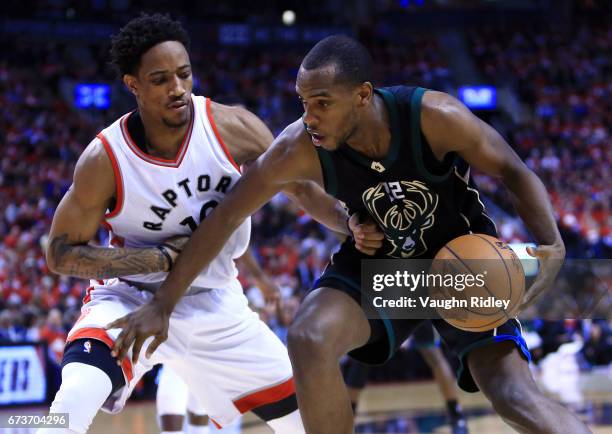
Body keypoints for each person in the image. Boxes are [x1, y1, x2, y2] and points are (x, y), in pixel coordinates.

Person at [110, 35, 589, 434]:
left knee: (512, 398)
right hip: (379, 269)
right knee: (309, 335)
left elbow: (512, 170)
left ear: (362, 95)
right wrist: (163, 303)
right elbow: (224, 218)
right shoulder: (298, 147)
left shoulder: (433, 116)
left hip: (457, 265)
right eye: (303, 103)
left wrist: (552, 244)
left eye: (322, 103)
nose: (310, 116)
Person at [38, 16, 381, 434]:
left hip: (217, 303)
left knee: (310, 421)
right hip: (129, 299)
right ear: (133, 85)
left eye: (184, 74)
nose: (178, 88)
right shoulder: (104, 159)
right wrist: (155, 259)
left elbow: (308, 194)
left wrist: (352, 223)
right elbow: (59, 255)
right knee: (71, 401)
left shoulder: (232, 128)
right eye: (161, 79)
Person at [342, 322, 468, 434]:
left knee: (433, 354)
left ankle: (455, 413)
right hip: (391, 301)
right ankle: (349, 415)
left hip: (409, 300)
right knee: (363, 357)